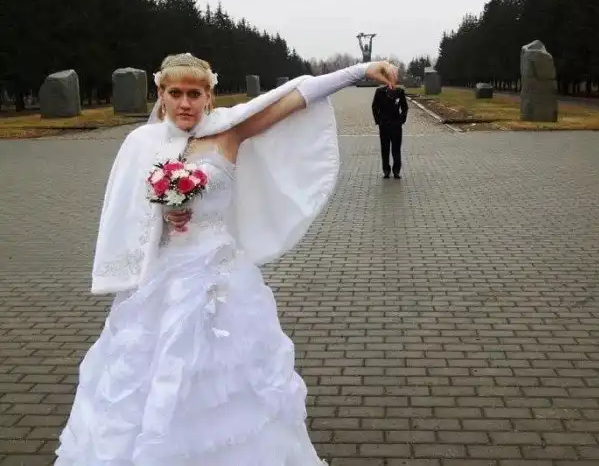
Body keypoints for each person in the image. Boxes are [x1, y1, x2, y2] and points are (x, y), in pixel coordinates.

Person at [54, 52, 398, 466]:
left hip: (221, 276)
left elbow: (295, 96)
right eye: (175, 93)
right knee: (150, 370)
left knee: (229, 374)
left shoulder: (229, 132)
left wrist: (359, 72)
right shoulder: (141, 144)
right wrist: (163, 214)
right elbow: (129, 208)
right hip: (161, 280)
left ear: (208, 96)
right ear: (161, 95)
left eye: (194, 94)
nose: (185, 103)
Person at [372, 84, 408, 179]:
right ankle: (386, 170)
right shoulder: (380, 92)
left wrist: (401, 120)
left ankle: (396, 171)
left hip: (396, 125)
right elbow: (374, 107)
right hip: (384, 125)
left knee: (396, 149)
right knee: (385, 149)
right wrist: (379, 121)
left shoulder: (400, 92)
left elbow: (405, 107)